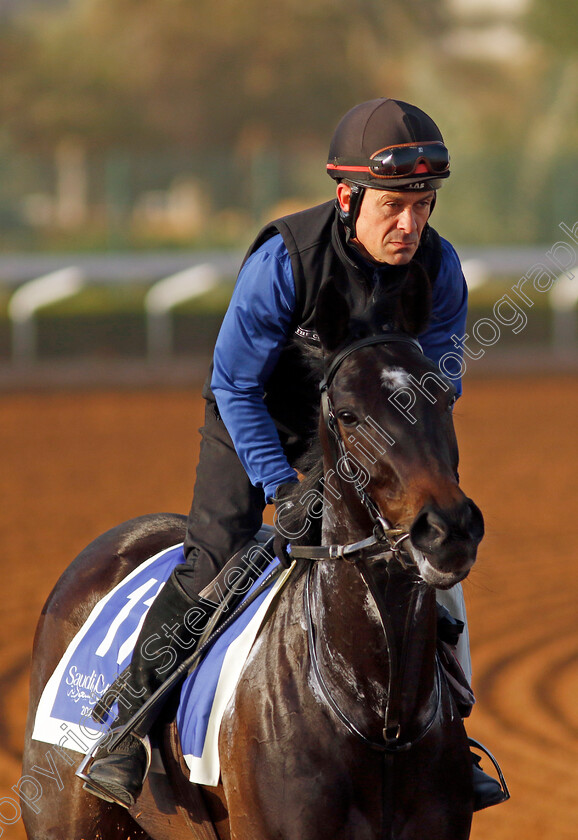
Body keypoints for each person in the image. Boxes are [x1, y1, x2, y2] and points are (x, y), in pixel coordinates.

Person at [84, 97, 508, 811]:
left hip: (366, 437)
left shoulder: (441, 270)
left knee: (432, 563)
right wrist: (282, 483)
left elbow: (437, 388)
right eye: (395, 207)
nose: (412, 225)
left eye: (424, 205)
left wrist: (394, 475)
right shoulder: (285, 261)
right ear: (347, 197)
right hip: (259, 422)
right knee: (219, 558)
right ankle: (127, 725)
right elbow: (233, 383)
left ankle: (451, 736)